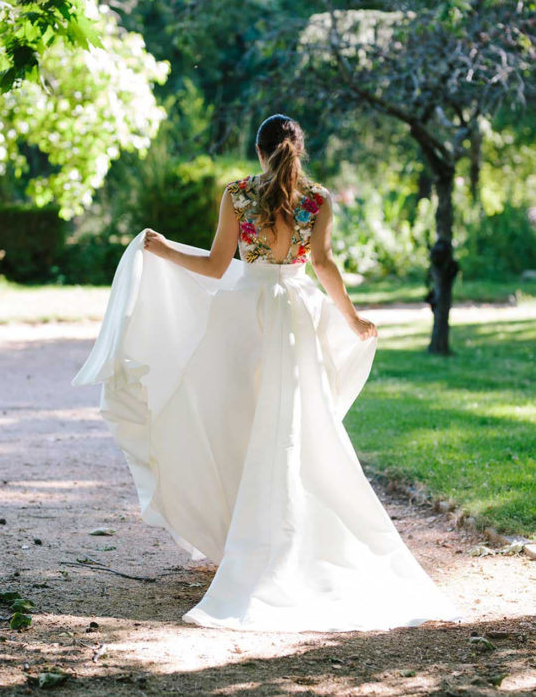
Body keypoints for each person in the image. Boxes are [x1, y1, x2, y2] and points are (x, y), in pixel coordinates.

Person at [72, 114, 462, 632]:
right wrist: (352, 318)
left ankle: (249, 538)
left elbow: (215, 267)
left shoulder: (237, 194)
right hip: (295, 316)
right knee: (296, 431)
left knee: (233, 426)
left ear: (259, 152)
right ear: (299, 149)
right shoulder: (318, 200)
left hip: (243, 315)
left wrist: (164, 250)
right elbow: (322, 264)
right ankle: (278, 538)